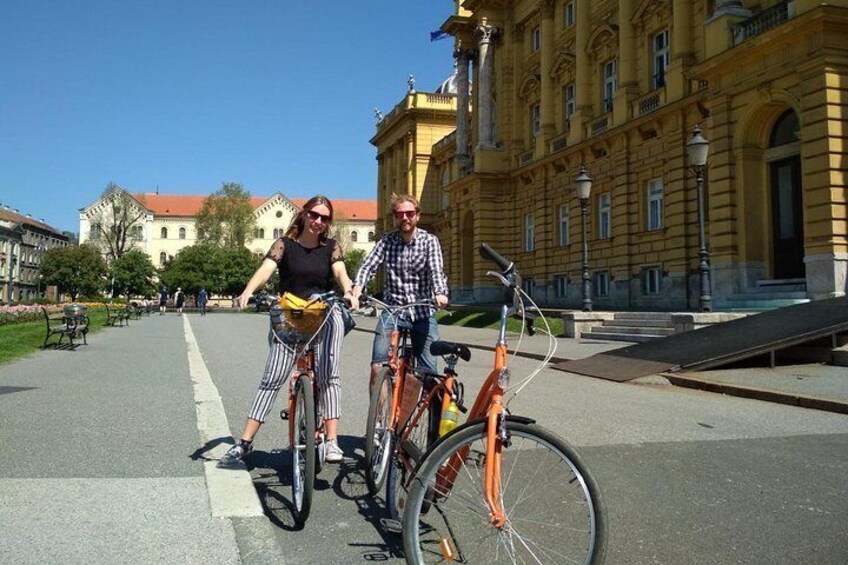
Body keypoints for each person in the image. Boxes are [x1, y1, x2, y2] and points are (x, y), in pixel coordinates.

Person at [219, 195, 358, 467]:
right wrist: (248, 290)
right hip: (290, 317)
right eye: (314, 215)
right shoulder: (285, 245)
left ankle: (331, 441)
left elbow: (341, 274)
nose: (318, 221)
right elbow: (266, 269)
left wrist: (350, 292)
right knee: (272, 378)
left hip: (323, 315)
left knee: (329, 373)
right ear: (304, 215)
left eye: (324, 218)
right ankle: (245, 443)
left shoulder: (330, 247)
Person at [350, 194, 449, 388]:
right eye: (400, 214)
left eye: (409, 213)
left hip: (422, 312)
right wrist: (357, 288)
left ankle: (431, 415)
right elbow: (368, 266)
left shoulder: (430, 241)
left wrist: (440, 292)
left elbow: (437, 271)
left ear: (417, 216)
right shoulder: (387, 241)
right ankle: (378, 417)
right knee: (378, 366)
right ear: (395, 217)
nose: (405, 217)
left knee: (429, 375)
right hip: (392, 312)